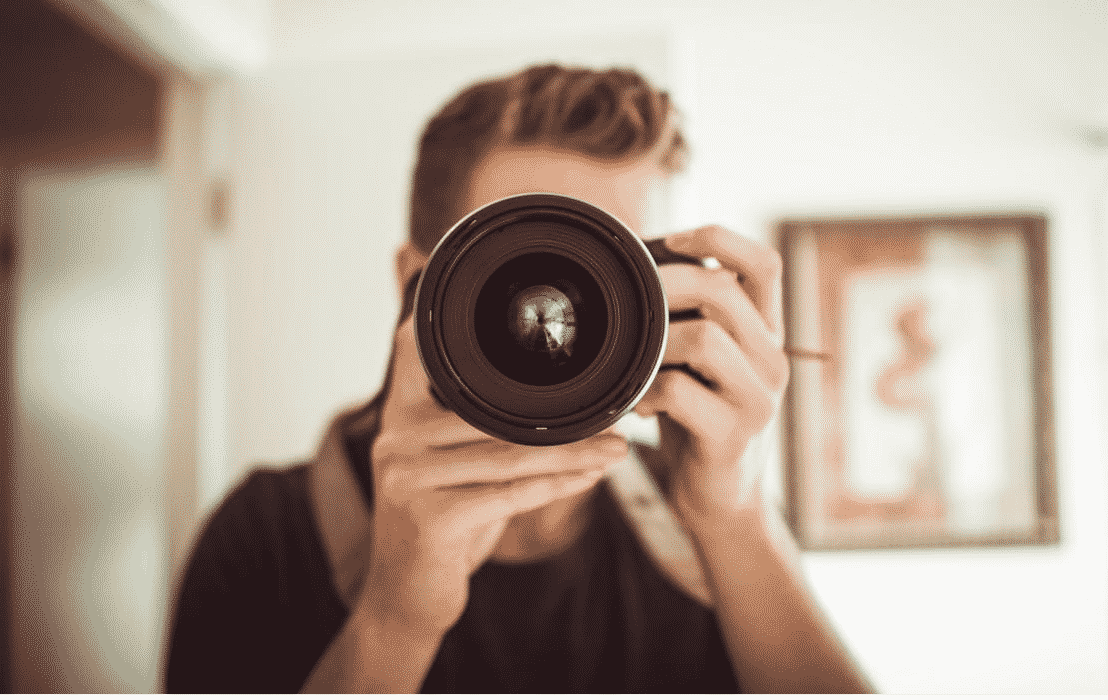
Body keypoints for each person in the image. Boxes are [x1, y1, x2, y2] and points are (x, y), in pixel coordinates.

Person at [164, 64, 872, 693]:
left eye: (615, 265)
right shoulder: (268, 537)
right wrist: (395, 618)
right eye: (525, 257)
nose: (571, 318)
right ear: (419, 285)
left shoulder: (704, 517)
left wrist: (736, 518)